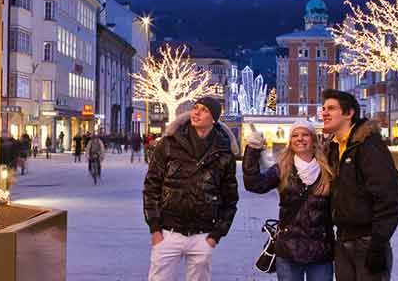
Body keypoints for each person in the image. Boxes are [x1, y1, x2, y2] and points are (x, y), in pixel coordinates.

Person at [143, 96, 239, 281]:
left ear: (214, 119)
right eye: (195, 108)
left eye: (204, 110)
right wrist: (155, 229)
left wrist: (215, 236)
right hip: (168, 232)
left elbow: (230, 199)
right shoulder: (169, 144)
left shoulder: (224, 152)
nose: (196, 112)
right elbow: (151, 186)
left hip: (202, 235)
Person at [321, 89, 398, 281]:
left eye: (331, 108)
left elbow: (390, 196)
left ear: (349, 113)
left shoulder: (368, 145)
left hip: (367, 242)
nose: (324, 112)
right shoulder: (333, 148)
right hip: (342, 241)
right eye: (323, 108)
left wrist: (378, 243)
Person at [243, 120, 335, 281]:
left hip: (321, 251)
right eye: (295, 135)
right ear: (290, 142)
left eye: (305, 134)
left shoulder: (328, 170)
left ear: (313, 140)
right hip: (288, 250)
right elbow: (255, 184)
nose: (300, 138)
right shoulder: (282, 168)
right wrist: (252, 151)